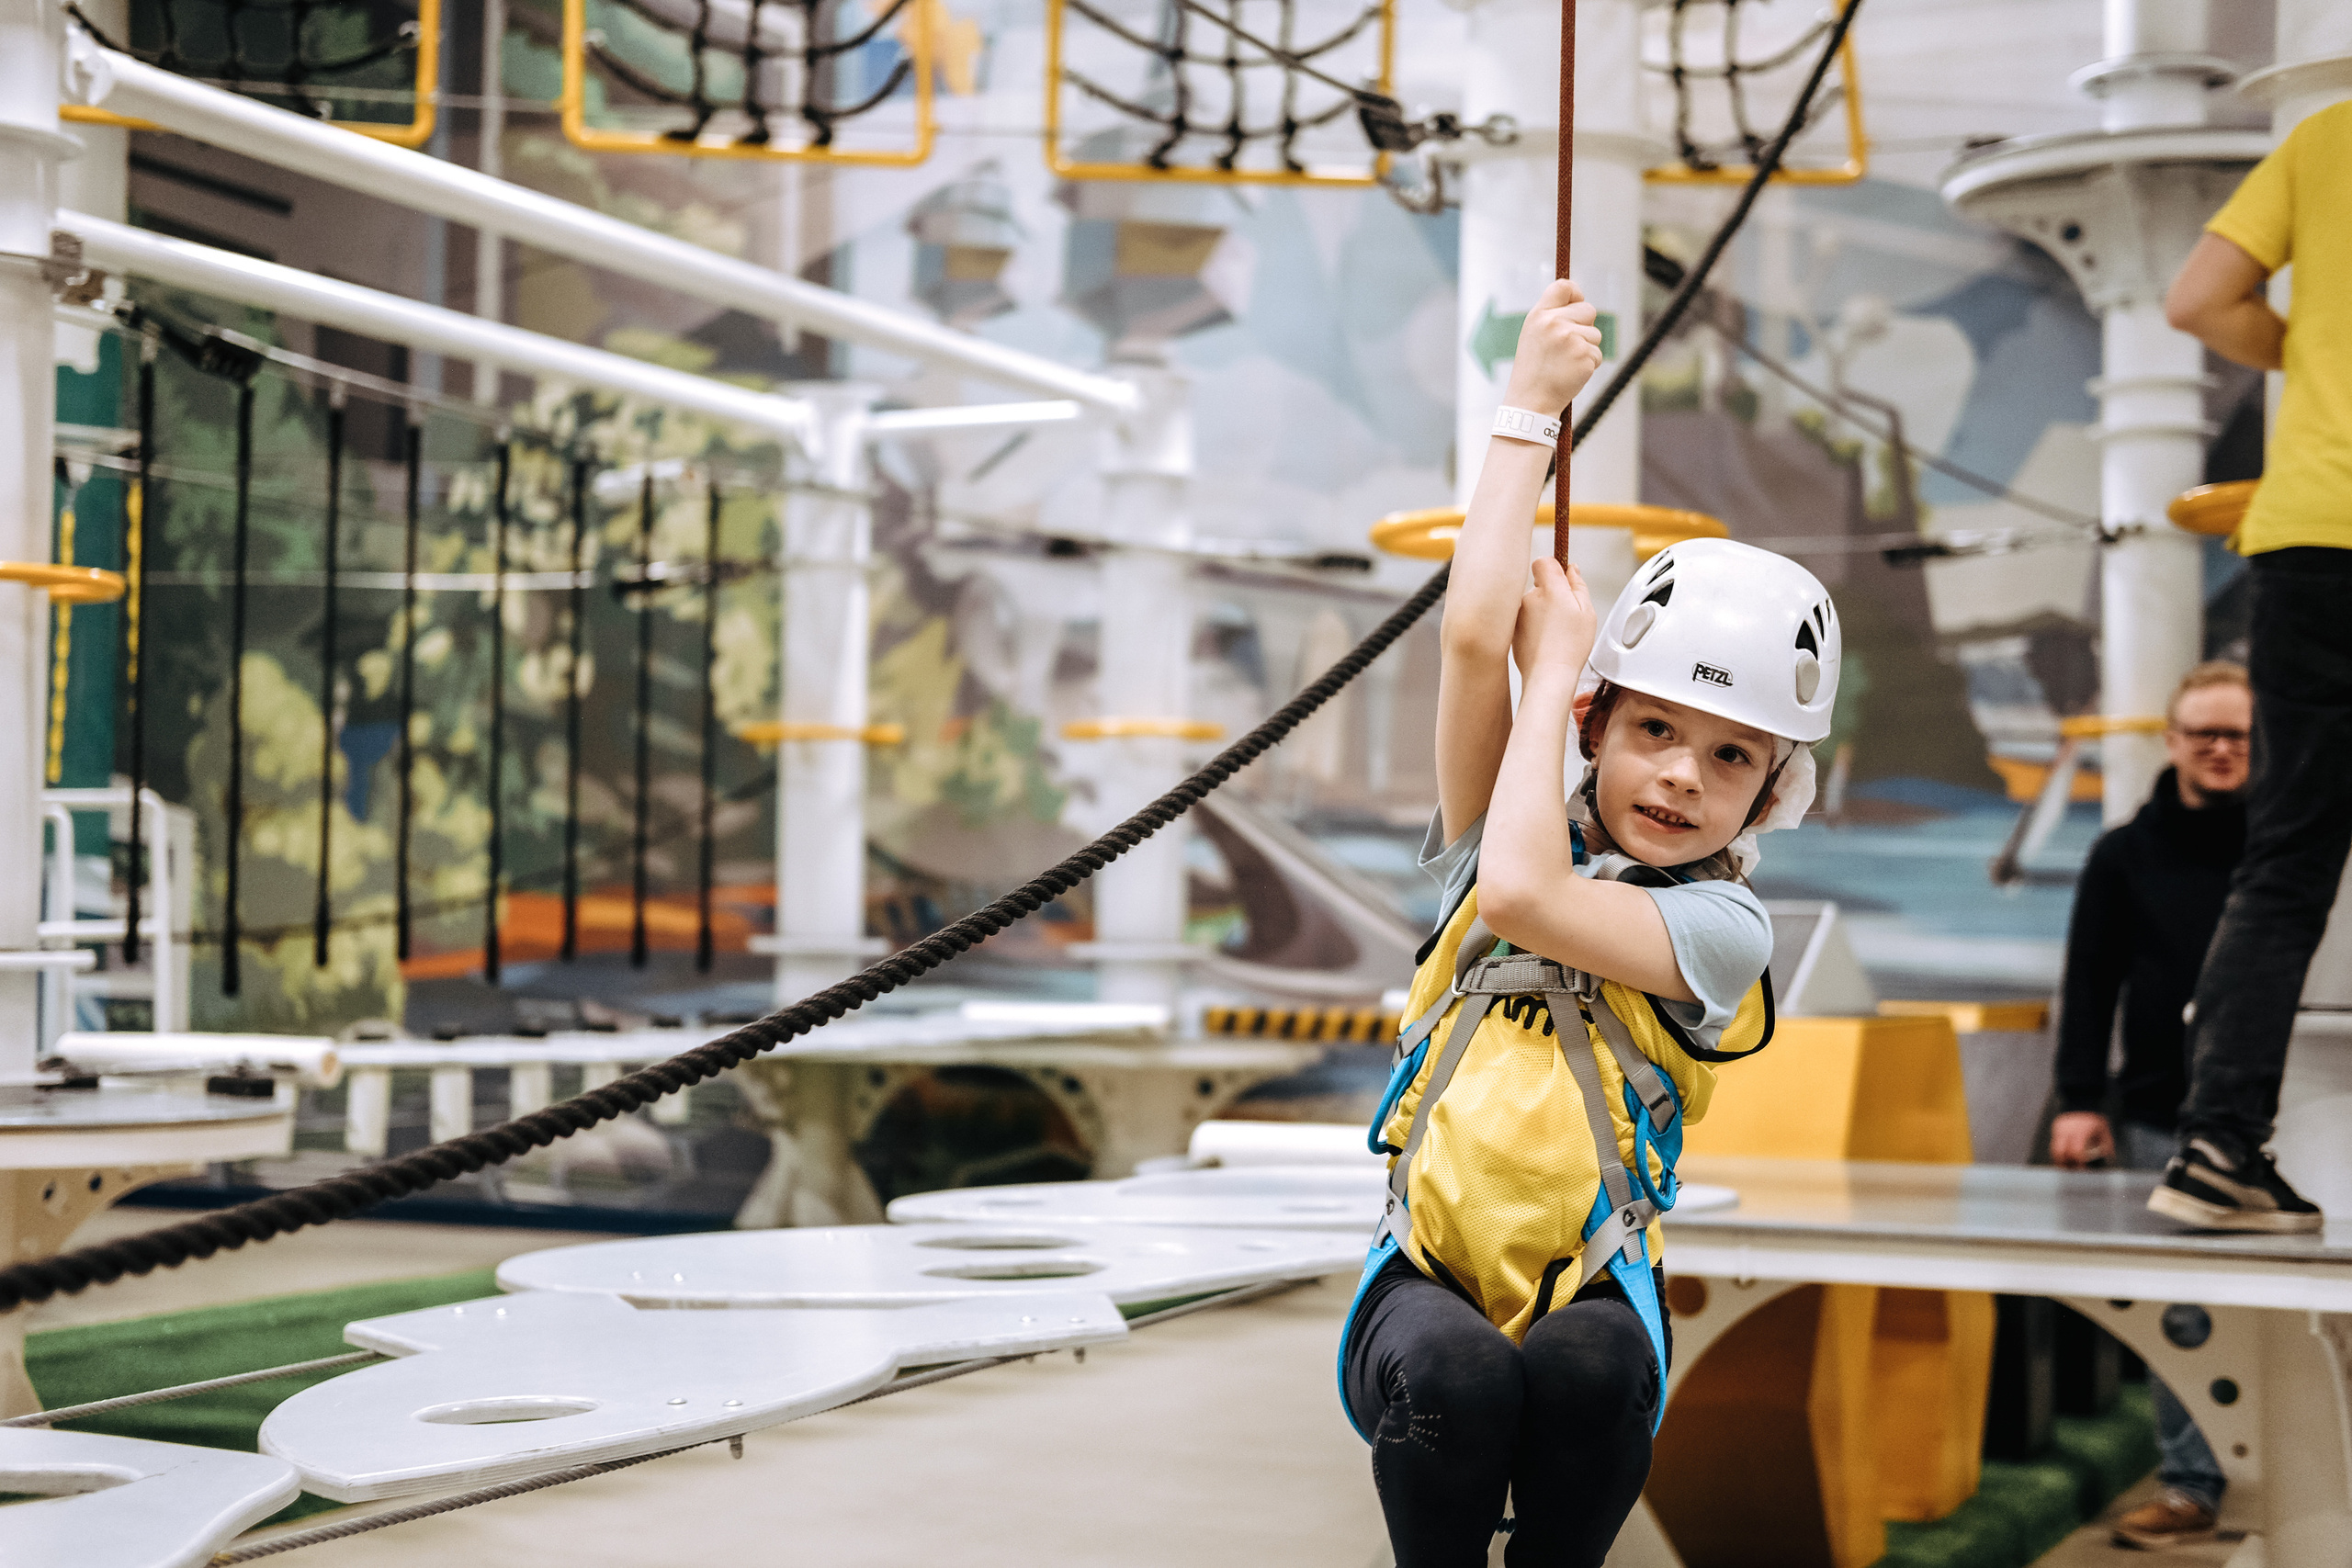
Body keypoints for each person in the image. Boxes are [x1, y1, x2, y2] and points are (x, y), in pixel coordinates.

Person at [1337, 278, 1839, 1568]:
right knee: (1455, 1378)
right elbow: (1467, 641)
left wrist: (1557, 669)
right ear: (1601, 731)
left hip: (1595, 1278)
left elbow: (1527, 899)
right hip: (1426, 1279)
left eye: (1730, 757)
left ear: (1770, 789)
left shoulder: (1722, 930)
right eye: (1655, 728)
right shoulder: (1496, 836)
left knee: (1585, 1381)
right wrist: (1530, 411)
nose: (1679, 773)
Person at [2150, 98, 2352, 1234]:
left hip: (2312, 539)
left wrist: (2303, 347)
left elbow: (2193, 300)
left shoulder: (2326, 138)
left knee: (2282, 865)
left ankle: (2218, 1148)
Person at [2049, 661, 2251, 1548]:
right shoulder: (2122, 854)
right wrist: (2079, 1101)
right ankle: (2191, 1484)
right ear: (2171, 743)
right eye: (2203, 732)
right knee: (2182, 1309)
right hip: (2160, 1114)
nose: (2220, 748)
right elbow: (2088, 985)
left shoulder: (2298, 852)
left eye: (2239, 733)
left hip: (2293, 1123)